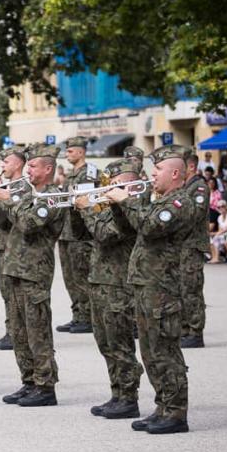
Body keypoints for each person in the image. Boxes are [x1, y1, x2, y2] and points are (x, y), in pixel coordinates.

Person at [105, 145, 194, 434]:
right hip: (145, 284)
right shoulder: (159, 200)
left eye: (157, 171)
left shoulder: (180, 203)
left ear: (175, 173)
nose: (152, 175)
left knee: (165, 350)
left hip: (163, 288)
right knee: (149, 351)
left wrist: (127, 202)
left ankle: (176, 412)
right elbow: (132, 230)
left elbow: (151, 225)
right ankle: (162, 407)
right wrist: (118, 204)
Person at [0, 143, 65, 407]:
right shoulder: (26, 193)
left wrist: (10, 200)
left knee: (37, 331)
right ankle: (29, 381)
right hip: (13, 268)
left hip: (35, 271)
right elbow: (2, 223)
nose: (28, 170)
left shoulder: (53, 196)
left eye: (33, 166)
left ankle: (45, 387)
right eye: (28, 165)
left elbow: (28, 223)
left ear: (48, 168)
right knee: (19, 331)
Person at [74, 159, 144, 419]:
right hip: (100, 280)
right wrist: (77, 208)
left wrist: (87, 210)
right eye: (109, 184)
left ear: (131, 183)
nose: (110, 189)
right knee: (105, 342)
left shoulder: (132, 208)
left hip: (118, 284)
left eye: (116, 184)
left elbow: (106, 234)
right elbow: (83, 234)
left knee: (120, 342)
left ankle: (129, 396)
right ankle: (117, 393)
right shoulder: (111, 207)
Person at [55, 136, 96, 334]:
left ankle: (87, 316)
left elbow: (86, 203)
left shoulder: (89, 174)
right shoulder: (72, 175)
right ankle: (78, 314)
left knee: (81, 277)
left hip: (80, 234)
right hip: (67, 233)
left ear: (81, 152)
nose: (67, 154)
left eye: (70, 151)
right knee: (70, 278)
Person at [0, 147, 27, 351]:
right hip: (1, 244)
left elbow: (10, 220)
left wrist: (3, 199)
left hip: (14, 247)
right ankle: (11, 330)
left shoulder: (22, 187)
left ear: (18, 164)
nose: (3, 167)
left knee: (14, 293)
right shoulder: (6, 185)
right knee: (6, 293)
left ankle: (15, 333)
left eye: (7, 163)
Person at [180, 151, 210, 348]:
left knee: (191, 290)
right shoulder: (185, 187)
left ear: (191, 166)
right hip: (182, 245)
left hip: (192, 245)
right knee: (181, 288)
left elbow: (195, 214)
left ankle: (195, 331)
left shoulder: (199, 187)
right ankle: (185, 329)